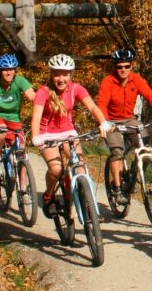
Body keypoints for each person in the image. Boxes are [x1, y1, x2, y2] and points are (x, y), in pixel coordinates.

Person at [30, 53, 107, 216]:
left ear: (71, 74)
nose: (61, 78)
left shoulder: (76, 89)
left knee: (80, 167)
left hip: (68, 132)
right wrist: (35, 136)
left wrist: (103, 122)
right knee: (56, 169)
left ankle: (89, 208)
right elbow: (36, 116)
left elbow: (92, 107)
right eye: (57, 74)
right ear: (51, 74)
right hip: (47, 134)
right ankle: (48, 196)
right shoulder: (43, 92)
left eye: (65, 74)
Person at [95, 49, 152, 206]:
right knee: (117, 152)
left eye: (127, 66)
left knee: (145, 145)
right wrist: (104, 122)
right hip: (112, 121)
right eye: (120, 67)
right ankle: (117, 189)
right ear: (115, 67)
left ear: (131, 66)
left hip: (130, 119)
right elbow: (101, 103)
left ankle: (136, 172)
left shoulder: (136, 80)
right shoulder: (108, 81)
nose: (123, 70)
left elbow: (151, 96)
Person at [0, 53, 36, 178]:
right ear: (0, 71)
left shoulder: (19, 80)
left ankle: (24, 192)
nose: (9, 72)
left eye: (11, 69)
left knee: (22, 153)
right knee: (1, 130)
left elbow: (33, 97)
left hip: (14, 118)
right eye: (5, 70)